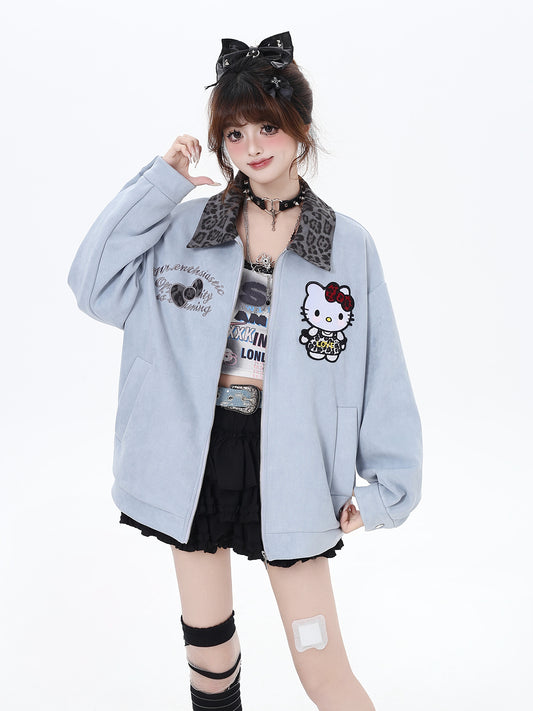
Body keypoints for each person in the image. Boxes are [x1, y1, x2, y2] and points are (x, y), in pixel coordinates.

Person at [67, 31, 422, 711]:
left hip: (292, 464)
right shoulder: (186, 227)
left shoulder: (346, 246)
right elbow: (92, 283)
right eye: (234, 133)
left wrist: (387, 491)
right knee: (209, 660)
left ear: (299, 127)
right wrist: (160, 184)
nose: (251, 145)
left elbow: (383, 374)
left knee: (322, 669)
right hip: (192, 456)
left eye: (266, 126)